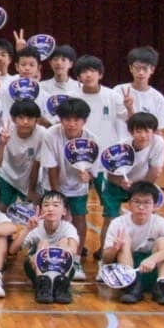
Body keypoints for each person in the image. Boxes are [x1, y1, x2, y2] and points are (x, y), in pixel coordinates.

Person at [39, 97, 96, 279]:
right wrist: (58, 197)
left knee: (79, 218)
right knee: (51, 219)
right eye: (67, 119)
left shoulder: (91, 140)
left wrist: (88, 177)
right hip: (54, 185)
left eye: (76, 120)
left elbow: (94, 172)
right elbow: (52, 167)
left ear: (84, 121)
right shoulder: (51, 135)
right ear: (60, 119)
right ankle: (48, 255)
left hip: (78, 188)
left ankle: (76, 259)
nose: (71, 124)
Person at [101, 181, 164, 306]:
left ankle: (161, 286)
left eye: (147, 202)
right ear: (129, 204)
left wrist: (153, 259)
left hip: (151, 269)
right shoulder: (118, 223)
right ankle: (131, 286)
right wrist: (114, 249)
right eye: (137, 202)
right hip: (129, 270)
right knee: (124, 240)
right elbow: (106, 259)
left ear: (155, 205)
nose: (141, 207)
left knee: (163, 241)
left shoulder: (160, 222)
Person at [97, 111, 164, 260]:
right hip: (116, 184)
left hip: (142, 183)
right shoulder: (121, 147)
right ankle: (105, 257)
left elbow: (155, 171)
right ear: (131, 132)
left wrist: (139, 188)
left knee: (148, 217)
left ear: (153, 131)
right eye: (139, 131)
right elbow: (111, 175)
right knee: (110, 219)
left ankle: (145, 251)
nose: (143, 135)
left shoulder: (158, 143)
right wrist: (121, 183)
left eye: (147, 131)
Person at [10, 190, 79, 304]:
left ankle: (62, 285)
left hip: (63, 270)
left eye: (55, 205)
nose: (50, 209)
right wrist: (27, 229)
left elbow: (73, 249)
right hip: (36, 270)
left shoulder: (68, 227)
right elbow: (12, 250)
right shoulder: (36, 227)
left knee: (64, 242)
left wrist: (58, 251)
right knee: (43, 243)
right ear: (41, 210)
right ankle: (42, 285)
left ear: (64, 211)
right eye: (46, 205)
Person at [0, 99, 45, 210]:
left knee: (19, 213)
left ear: (36, 120)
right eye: (21, 117)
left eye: (30, 118)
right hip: (5, 175)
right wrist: (2, 144)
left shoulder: (42, 134)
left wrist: (31, 190)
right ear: (13, 118)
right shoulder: (5, 130)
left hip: (28, 181)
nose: (25, 122)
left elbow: (36, 165)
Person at [113, 46, 164, 130]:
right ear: (131, 68)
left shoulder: (157, 97)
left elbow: (158, 129)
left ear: (152, 70)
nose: (141, 72)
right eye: (137, 68)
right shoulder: (119, 91)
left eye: (145, 68)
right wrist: (129, 109)